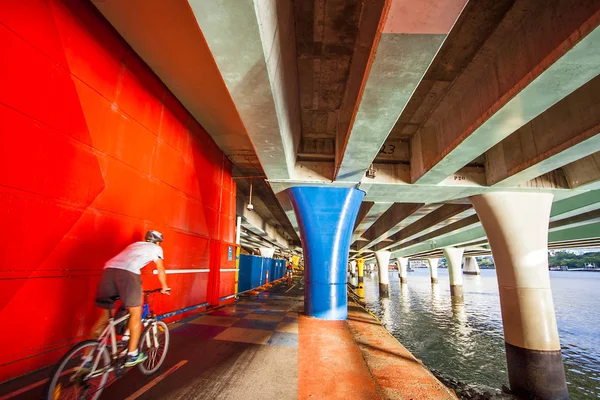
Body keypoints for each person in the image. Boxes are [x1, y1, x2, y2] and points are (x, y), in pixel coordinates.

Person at [89, 230, 170, 367]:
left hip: (108, 272)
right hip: (128, 274)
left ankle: (87, 360)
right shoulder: (156, 248)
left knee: (104, 317)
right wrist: (164, 286)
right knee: (135, 314)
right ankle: (132, 354)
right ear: (158, 241)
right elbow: (160, 268)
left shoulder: (135, 245)